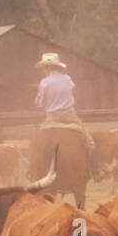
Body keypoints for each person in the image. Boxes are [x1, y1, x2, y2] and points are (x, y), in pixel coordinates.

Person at [34, 52, 101, 180]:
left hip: (52, 117)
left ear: (47, 67)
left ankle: (33, 171)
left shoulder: (44, 83)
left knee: (37, 142)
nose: (43, 70)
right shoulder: (67, 79)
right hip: (70, 115)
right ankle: (96, 172)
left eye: (43, 67)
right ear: (56, 66)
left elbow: (39, 103)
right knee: (90, 142)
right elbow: (70, 91)